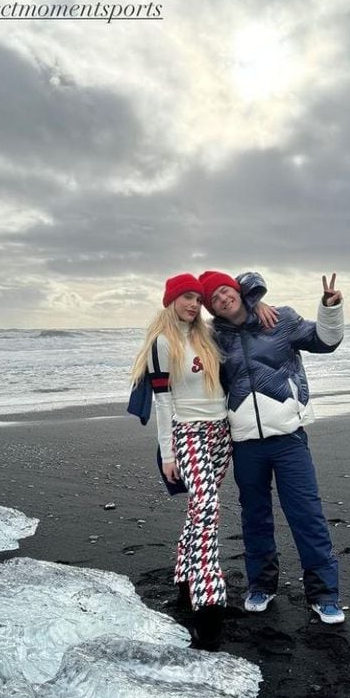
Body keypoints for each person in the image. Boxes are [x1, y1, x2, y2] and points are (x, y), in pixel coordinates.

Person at [198, 268, 346, 624]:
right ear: (212, 308)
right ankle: (261, 586)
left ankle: (325, 594)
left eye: (225, 291)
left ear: (237, 291)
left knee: (306, 514)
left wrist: (329, 307)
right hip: (245, 442)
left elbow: (326, 341)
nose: (222, 299)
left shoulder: (280, 319)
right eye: (214, 299)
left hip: (288, 438)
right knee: (255, 517)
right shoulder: (213, 337)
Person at [129, 274, 239, 649]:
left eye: (197, 298)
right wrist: (168, 453)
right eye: (186, 298)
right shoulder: (163, 342)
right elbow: (162, 402)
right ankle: (208, 606)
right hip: (187, 433)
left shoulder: (207, 336)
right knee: (207, 507)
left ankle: (183, 579)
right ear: (171, 300)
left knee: (198, 510)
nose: (193, 304)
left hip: (221, 432)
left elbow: (246, 314)